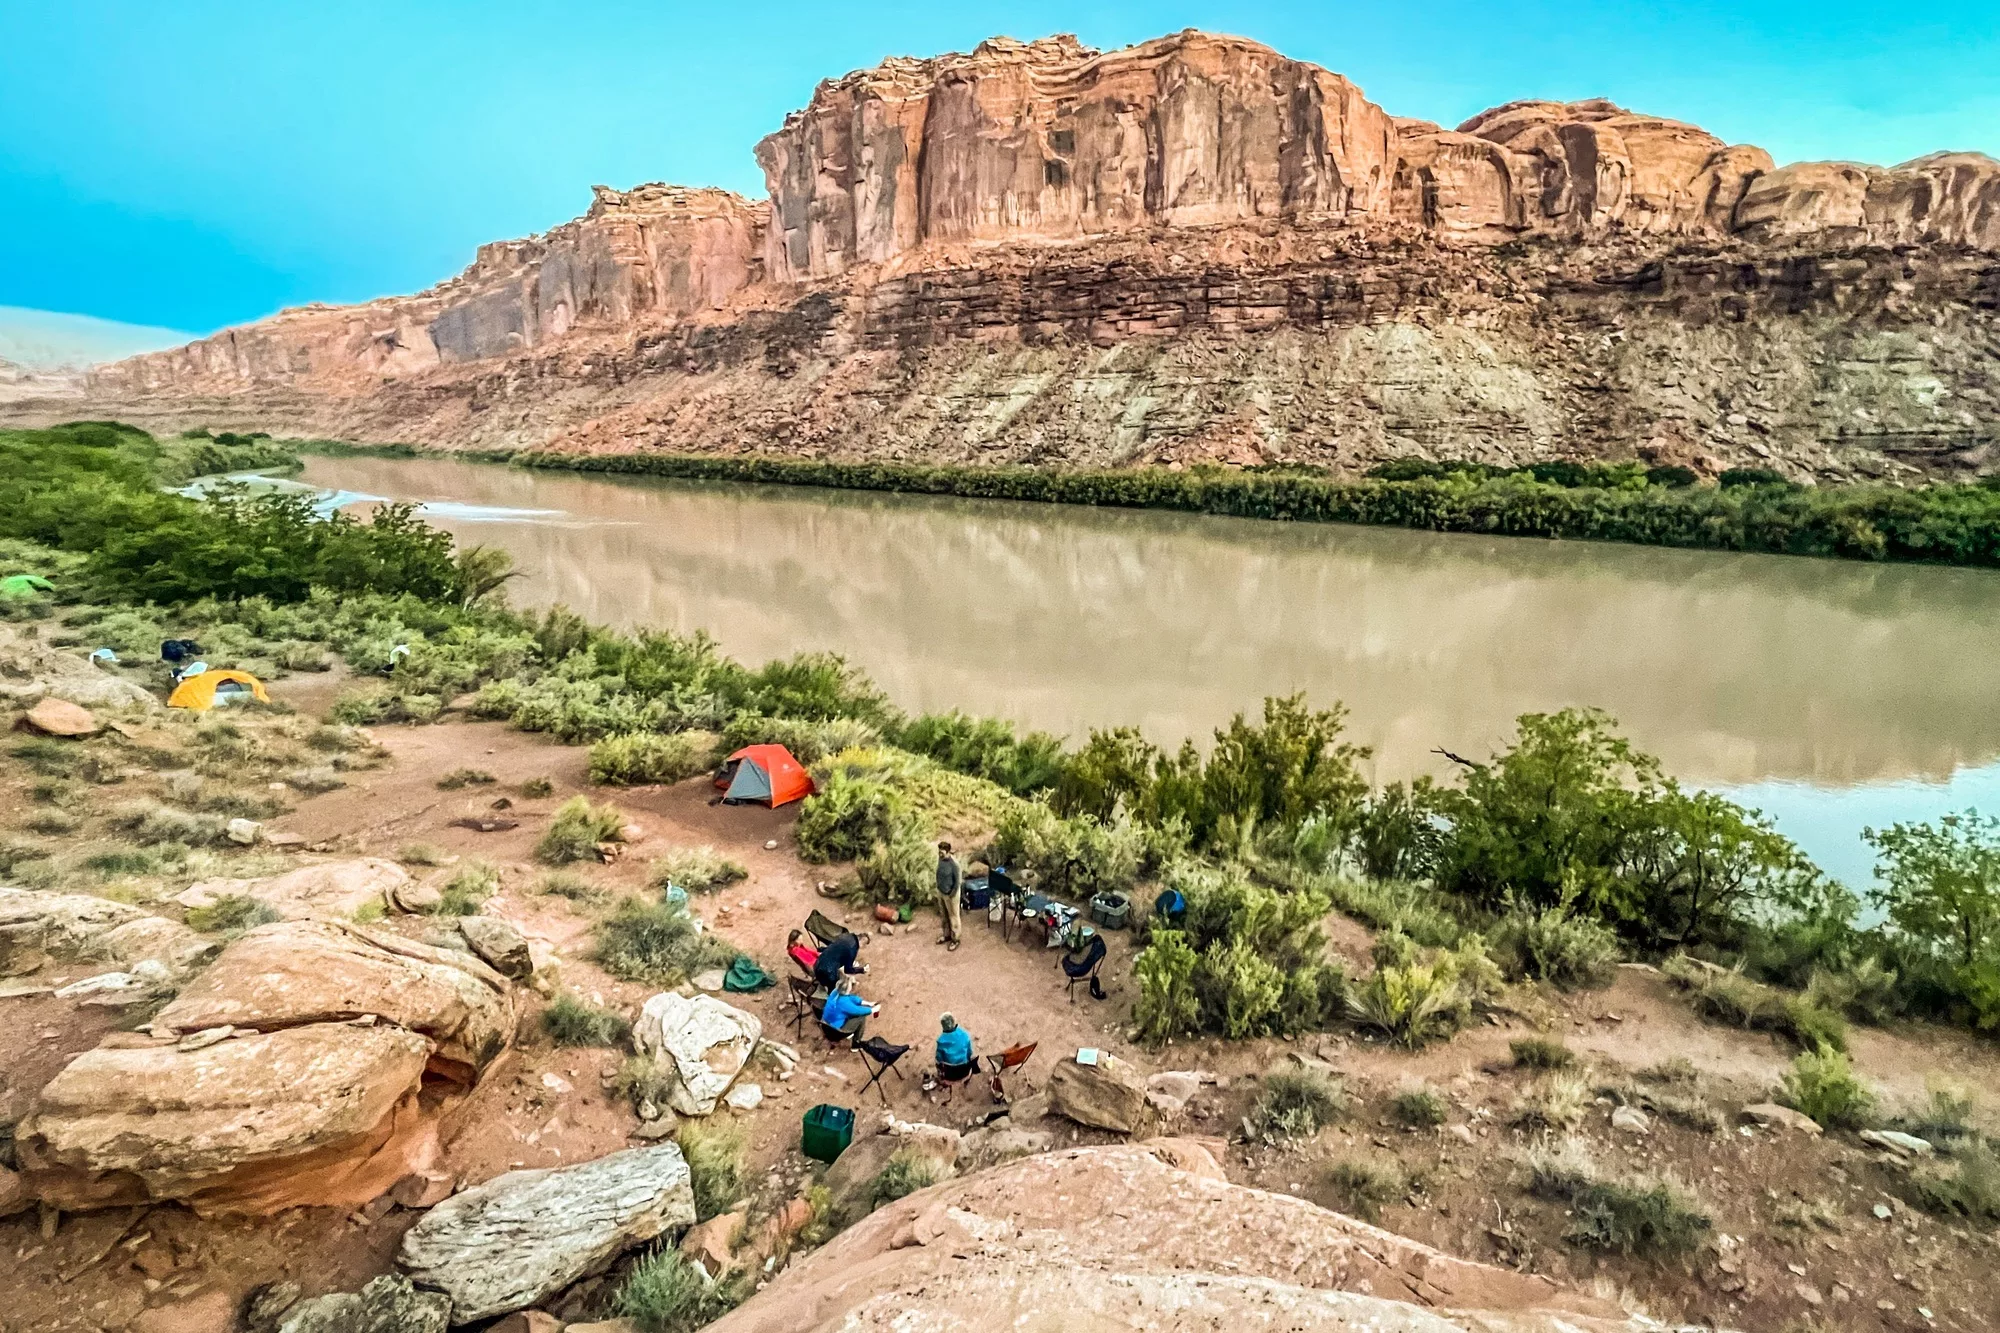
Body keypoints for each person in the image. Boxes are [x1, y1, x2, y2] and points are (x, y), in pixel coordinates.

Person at [820, 977, 878, 1042]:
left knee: (846, 1012)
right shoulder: (844, 1003)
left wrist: (867, 1003)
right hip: (836, 1031)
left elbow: (850, 997)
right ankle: (856, 1043)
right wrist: (872, 1010)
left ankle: (851, 1033)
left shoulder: (835, 991)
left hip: (825, 1024)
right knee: (861, 1017)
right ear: (848, 989)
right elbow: (859, 1011)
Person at [935, 840, 963, 950]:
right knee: (944, 915)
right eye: (939, 852)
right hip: (941, 892)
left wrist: (952, 894)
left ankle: (955, 939)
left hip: (951, 895)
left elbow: (957, 882)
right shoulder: (941, 859)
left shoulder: (954, 865)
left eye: (941, 853)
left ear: (947, 852)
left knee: (953, 917)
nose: (939, 855)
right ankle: (946, 935)